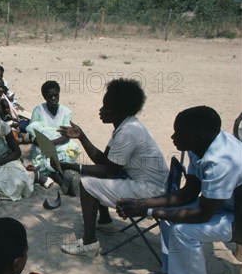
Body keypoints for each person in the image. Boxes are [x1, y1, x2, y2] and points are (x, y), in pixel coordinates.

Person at [117, 106, 242, 274]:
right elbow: (188, 193)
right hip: (223, 204)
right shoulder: (200, 146)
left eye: (179, 133)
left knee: (183, 231)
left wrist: (147, 212)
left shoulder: (221, 162)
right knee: (169, 218)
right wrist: (142, 203)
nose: (173, 137)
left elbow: (203, 214)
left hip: (239, 219)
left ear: (199, 137)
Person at [58, 78, 168, 256]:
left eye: (106, 107)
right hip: (150, 184)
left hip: (152, 192)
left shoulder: (128, 132)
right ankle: (105, 222)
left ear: (119, 110)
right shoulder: (126, 126)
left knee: (86, 184)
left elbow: (109, 170)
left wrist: (73, 167)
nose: (101, 110)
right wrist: (82, 136)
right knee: (97, 178)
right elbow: (104, 161)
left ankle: (89, 242)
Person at [26, 81, 81, 186]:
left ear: (59, 93)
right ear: (44, 96)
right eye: (49, 96)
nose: (53, 98)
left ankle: (66, 177)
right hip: (41, 147)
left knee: (68, 153)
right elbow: (33, 134)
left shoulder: (66, 112)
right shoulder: (38, 110)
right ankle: (62, 181)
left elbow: (66, 136)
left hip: (60, 145)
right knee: (42, 162)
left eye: (56, 95)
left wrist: (52, 143)